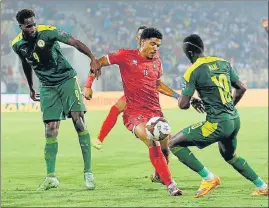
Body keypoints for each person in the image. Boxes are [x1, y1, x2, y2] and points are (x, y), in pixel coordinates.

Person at [86, 28, 204, 196]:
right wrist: (88, 84)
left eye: (158, 45)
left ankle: (159, 175)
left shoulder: (157, 62)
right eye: (153, 44)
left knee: (166, 146)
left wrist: (179, 97)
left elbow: (157, 84)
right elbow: (97, 62)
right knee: (151, 140)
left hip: (155, 112)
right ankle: (171, 185)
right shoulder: (125, 55)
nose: (156, 48)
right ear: (143, 41)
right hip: (134, 114)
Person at [168, 34, 269, 198]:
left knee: (174, 143)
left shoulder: (192, 71)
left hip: (218, 123)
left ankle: (208, 178)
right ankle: (262, 186)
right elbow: (242, 88)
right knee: (230, 155)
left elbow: (183, 105)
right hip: (234, 120)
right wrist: (228, 108)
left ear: (189, 53)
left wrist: (190, 100)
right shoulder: (223, 63)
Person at [12, 9, 100, 191]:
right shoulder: (17, 44)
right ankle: (51, 177)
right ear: (20, 26)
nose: (33, 27)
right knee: (50, 129)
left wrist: (92, 58)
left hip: (66, 79)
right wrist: (31, 87)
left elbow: (74, 41)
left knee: (79, 122)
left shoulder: (48, 31)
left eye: (34, 23)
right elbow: (25, 63)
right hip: (47, 86)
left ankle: (88, 173)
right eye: (28, 26)